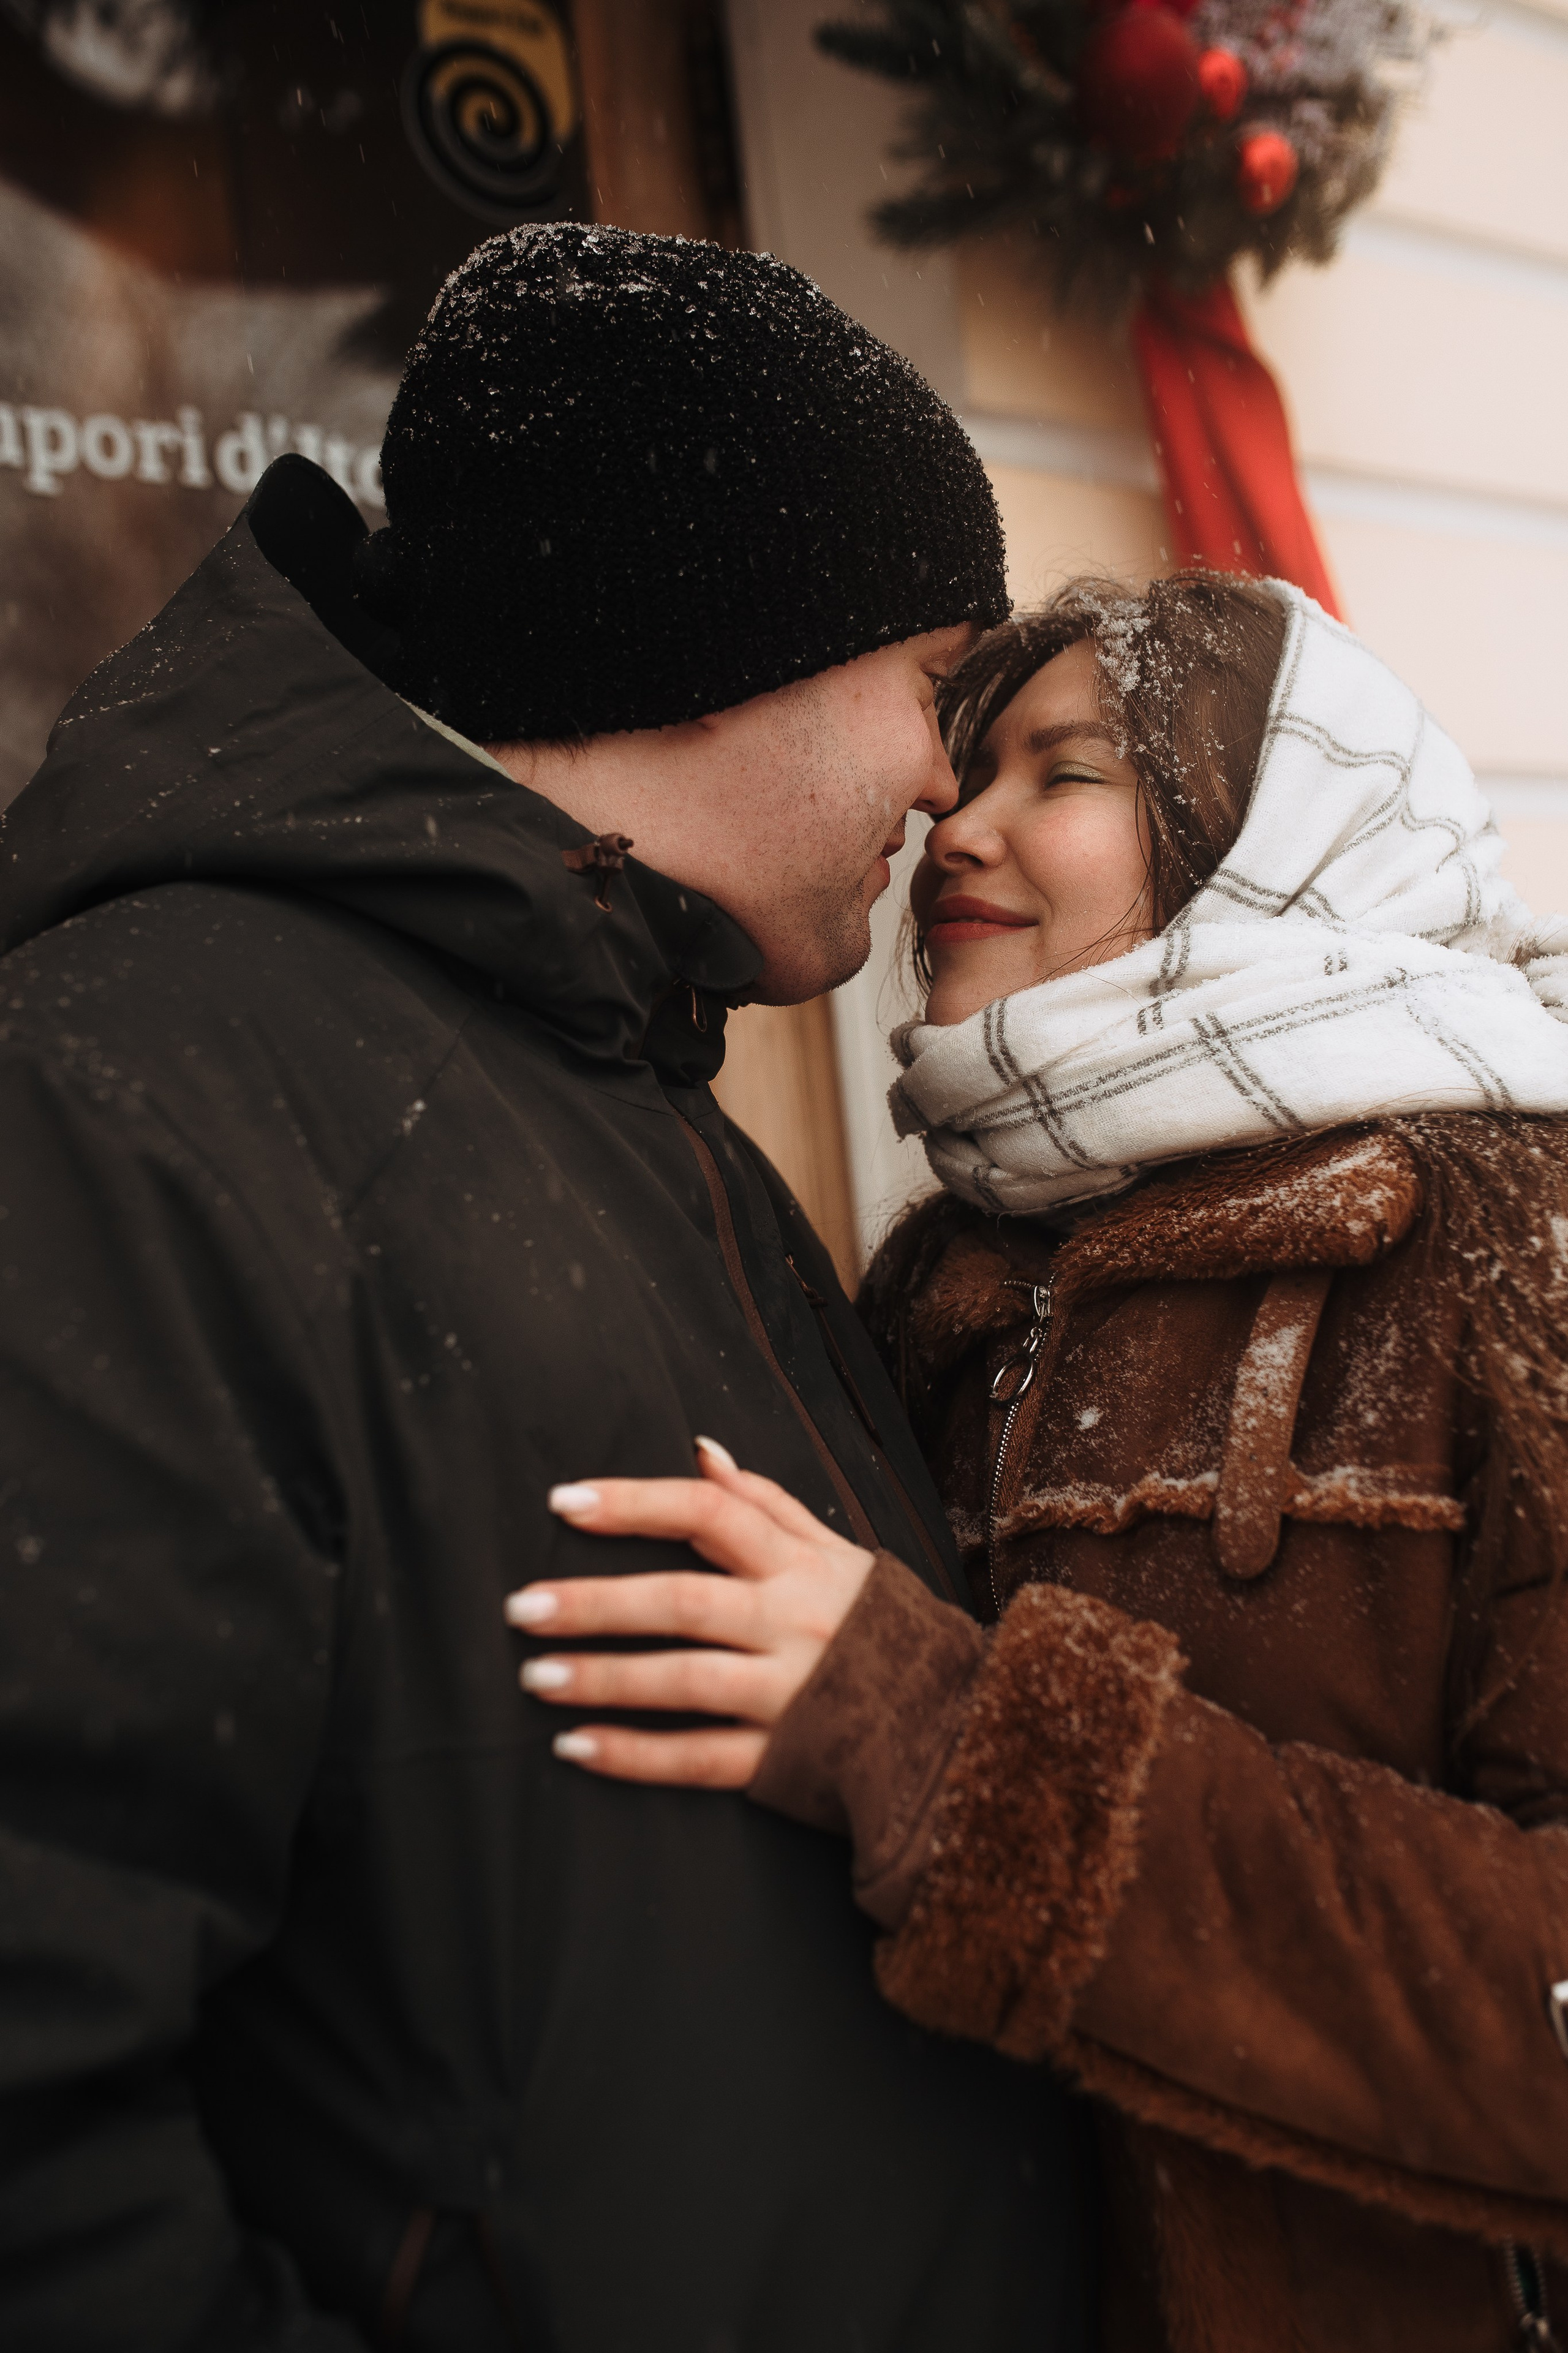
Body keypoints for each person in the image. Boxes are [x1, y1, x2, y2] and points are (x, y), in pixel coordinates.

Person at [0, 227, 1091, 2351]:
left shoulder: (635, 1098)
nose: (945, 781)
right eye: (931, 676)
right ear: (718, 638)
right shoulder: (138, 1096)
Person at [514, 572, 1568, 2353]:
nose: (955, 821)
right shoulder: (947, 1269)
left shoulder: (1496, 1245)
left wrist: (965, 1754)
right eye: (962, 759)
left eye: (1061, 773)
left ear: (1271, 846)